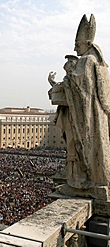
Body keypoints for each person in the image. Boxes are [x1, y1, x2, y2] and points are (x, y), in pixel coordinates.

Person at [50, 14, 110, 189]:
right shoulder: (100, 63)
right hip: (96, 115)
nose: (75, 49)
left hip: (87, 118)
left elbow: (79, 89)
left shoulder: (86, 61)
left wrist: (61, 86)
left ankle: (85, 178)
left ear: (88, 44)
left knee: (83, 150)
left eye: (77, 45)